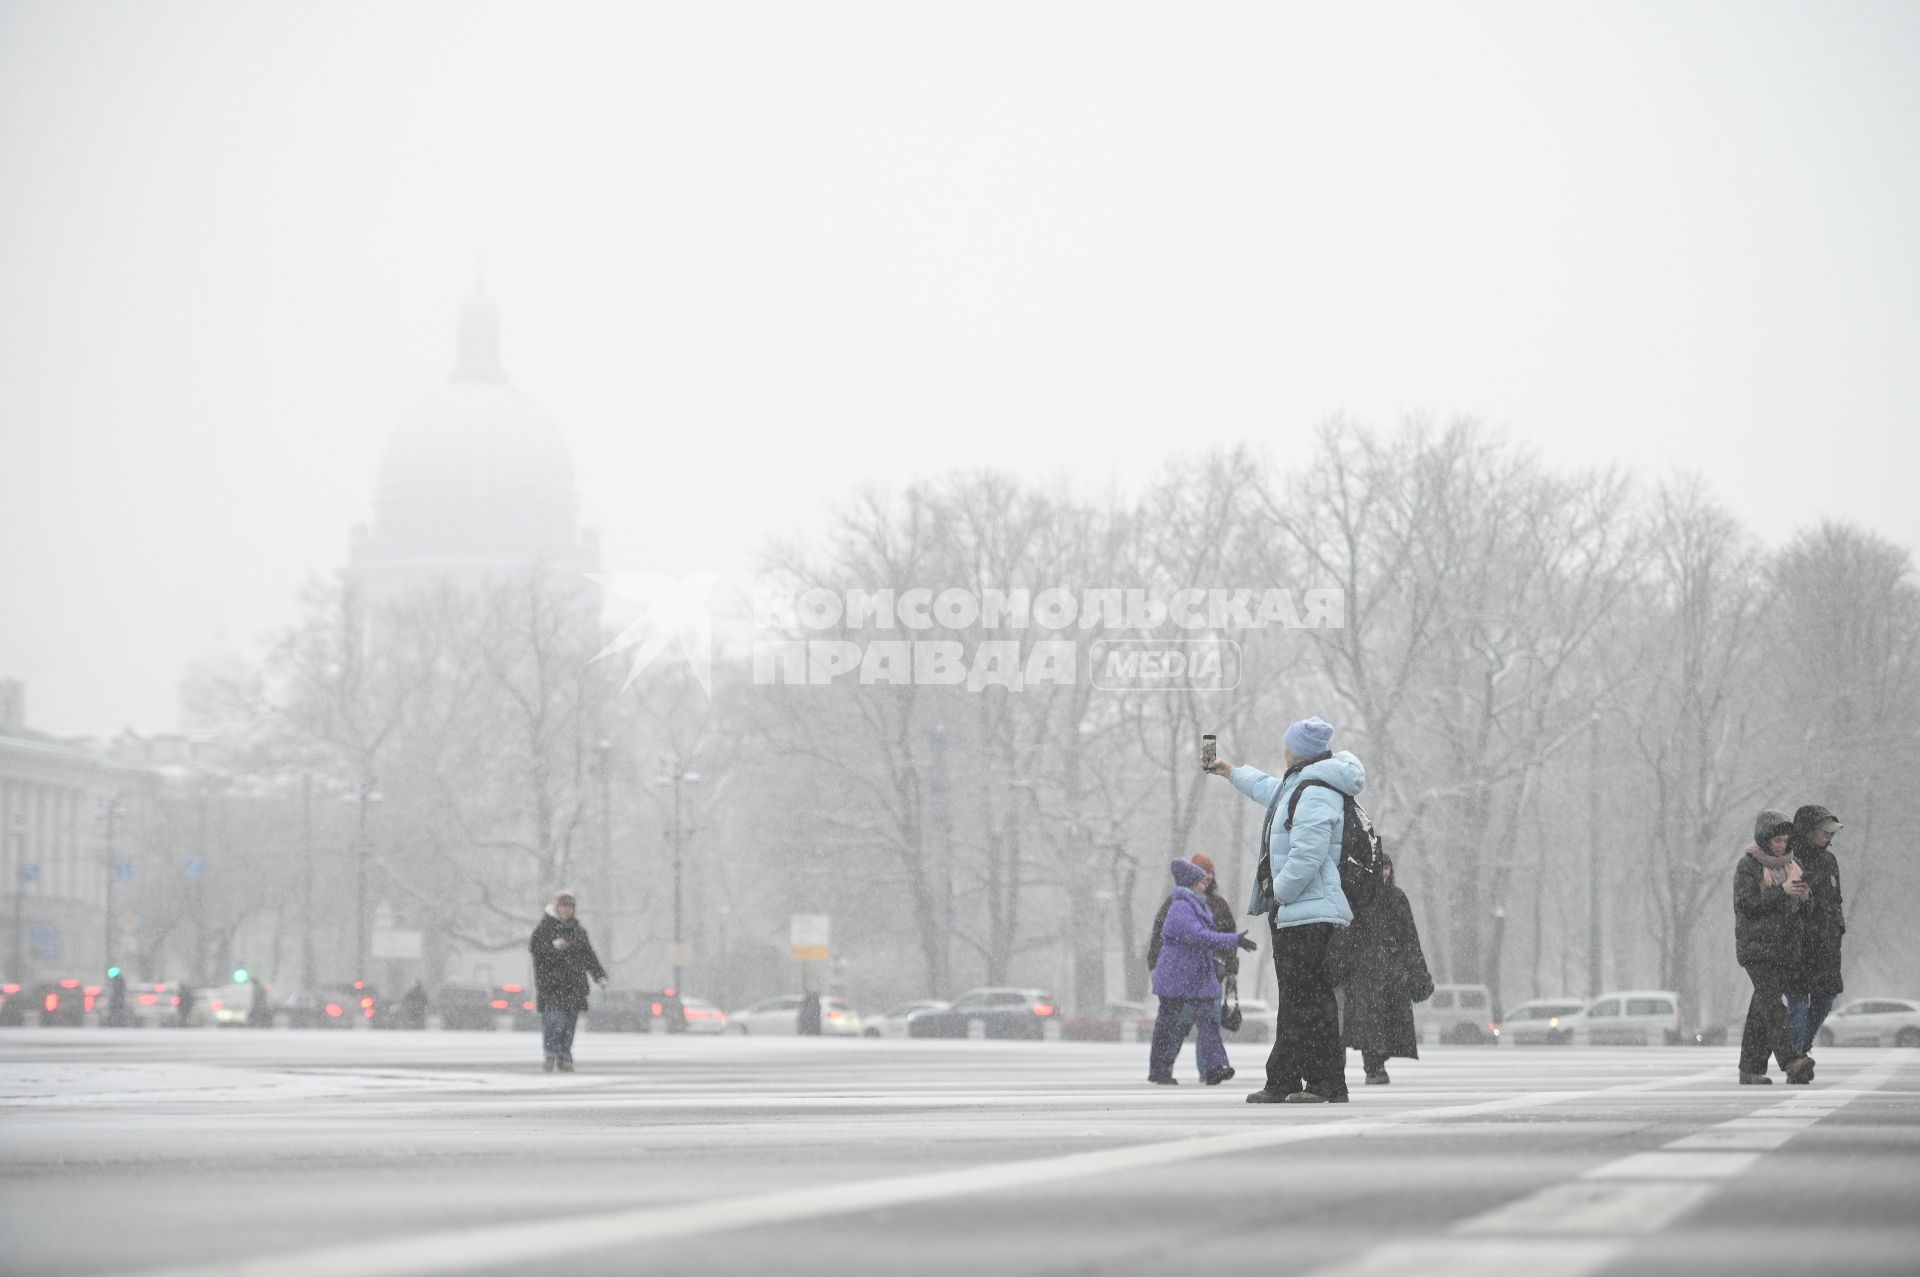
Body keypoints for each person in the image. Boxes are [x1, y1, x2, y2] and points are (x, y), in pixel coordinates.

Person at [1208, 716, 1361, 1104]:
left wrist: (1279, 893)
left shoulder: (1316, 791)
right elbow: (1269, 789)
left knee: (1308, 1003)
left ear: (1298, 750)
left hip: (1308, 914)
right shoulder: (1304, 784)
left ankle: (1316, 1082)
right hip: (1303, 912)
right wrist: (1231, 772)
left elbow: (1308, 855)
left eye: (1288, 744)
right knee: (1303, 1002)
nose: (1284, 749)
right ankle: (1294, 1079)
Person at [1148, 858, 1257, 1085]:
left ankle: (1214, 1067)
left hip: (1198, 974)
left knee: (1208, 1021)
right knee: (1170, 1025)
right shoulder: (1180, 907)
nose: (1205, 883)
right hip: (1178, 975)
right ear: (1191, 882)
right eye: (1201, 880)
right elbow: (1198, 936)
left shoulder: (1198, 904)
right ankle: (1160, 1068)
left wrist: (1229, 959)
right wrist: (1233, 940)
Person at [1734, 809, 1815, 1084]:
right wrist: (1782, 893)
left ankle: (1750, 1069)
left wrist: (1804, 897)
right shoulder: (1748, 865)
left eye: (1785, 840)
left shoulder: (1793, 865)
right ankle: (1791, 1060)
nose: (1782, 845)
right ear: (1764, 839)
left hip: (1784, 950)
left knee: (1761, 1009)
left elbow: (1807, 909)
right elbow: (1747, 905)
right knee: (1773, 1007)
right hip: (1757, 949)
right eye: (1777, 840)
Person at [1337, 853, 1432, 1085]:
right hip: (1367, 970)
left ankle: (1374, 1065)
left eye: (1387, 867)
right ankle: (1372, 1066)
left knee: (1378, 1021)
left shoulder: (1395, 898)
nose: (1385, 872)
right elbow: (1348, 933)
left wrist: (1415, 970)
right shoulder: (1361, 897)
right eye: (1381, 867)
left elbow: (1409, 937)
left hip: (1388, 971)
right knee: (1369, 1021)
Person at [1785, 805, 1845, 1057]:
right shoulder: (1789, 860)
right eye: (1824, 831)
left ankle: (1800, 1048)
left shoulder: (1830, 861)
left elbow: (1836, 900)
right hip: (1798, 946)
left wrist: (1838, 928)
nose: (1829, 836)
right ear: (1808, 831)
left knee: (1824, 1002)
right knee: (1798, 1004)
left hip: (1827, 948)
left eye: (1831, 832)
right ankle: (1796, 1057)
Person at [528, 889, 608, 1072]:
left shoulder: (578, 931)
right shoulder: (544, 929)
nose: (567, 909)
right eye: (564, 905)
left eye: (571, 906)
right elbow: (536, 949)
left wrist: (599, 975)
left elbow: (589, 956)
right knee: (554, 1021)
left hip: (574, 986)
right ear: (557, 907)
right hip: (551, 986)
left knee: (569, 1025)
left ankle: (564, 1056)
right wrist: (552, 948)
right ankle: (550, 1054)